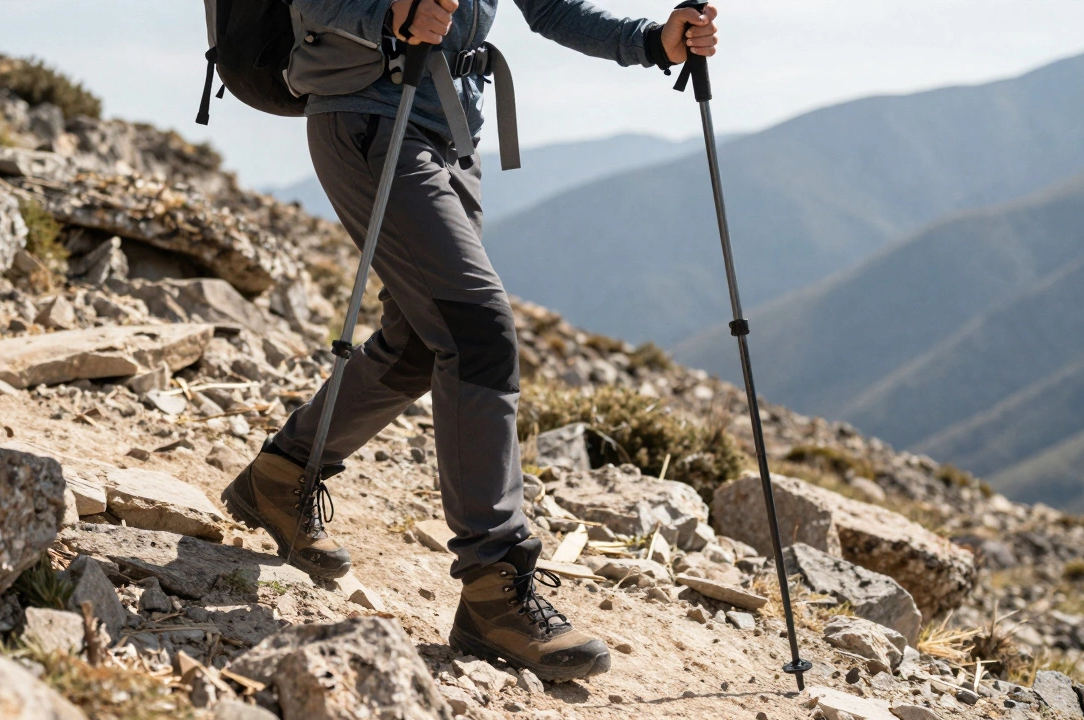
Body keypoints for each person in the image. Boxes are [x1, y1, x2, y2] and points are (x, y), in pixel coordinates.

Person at [222, 0, 718, 680]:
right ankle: (493, 588)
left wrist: (653, 42)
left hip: (450, 135)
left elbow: (548, 9)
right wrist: (389, 18)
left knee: (422, 343)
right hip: (368, 120)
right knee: (477, 330)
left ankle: (281, 476)